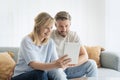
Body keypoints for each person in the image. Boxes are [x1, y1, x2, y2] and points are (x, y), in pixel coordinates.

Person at [11, 12, 71, 80]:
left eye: (51, 28)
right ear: (38, 26)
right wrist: (55, 64)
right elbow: (34, 65)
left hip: (40, 76)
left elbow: (55, 63)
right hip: (22, 76)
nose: (49, 31)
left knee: (56, 72)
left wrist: (61, 64)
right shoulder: (26, 41)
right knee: (40, 73)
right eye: (46, 27)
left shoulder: (50, 42)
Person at [51, 11, 98, 79]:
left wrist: (68, 65)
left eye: (66, 26)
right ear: (55, 25)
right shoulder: (50, 36)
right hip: (56, 69)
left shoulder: (73, 35)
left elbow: (85, 56)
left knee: (92, 64)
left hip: (70, 68)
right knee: (57, 72)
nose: (64, 29)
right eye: (61, 26)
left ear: (70, 24)